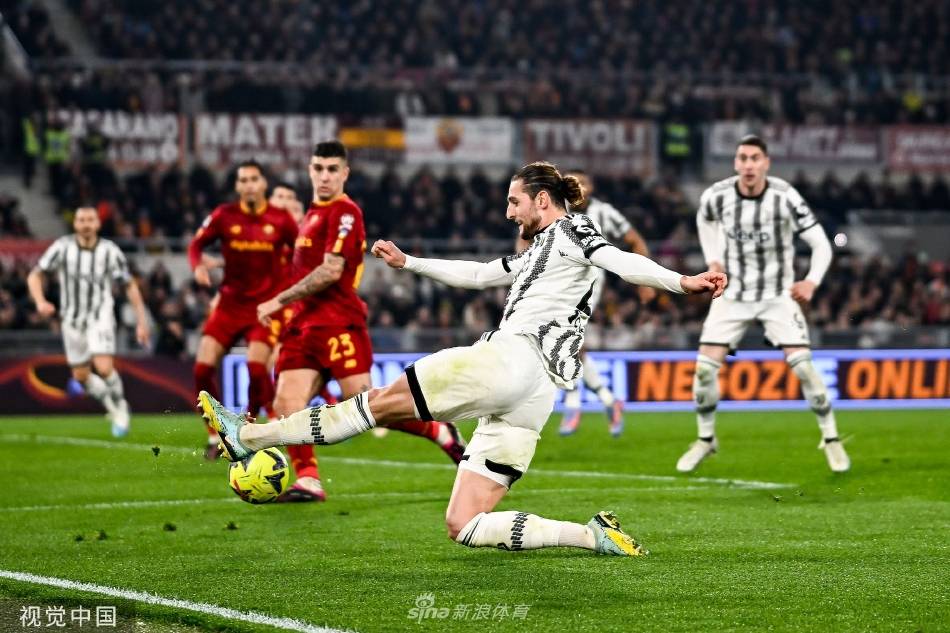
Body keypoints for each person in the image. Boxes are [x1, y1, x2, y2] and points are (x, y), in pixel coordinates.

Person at [201, 161, 725, 554]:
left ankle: (250, 437)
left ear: (543, 200)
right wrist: (409, 262)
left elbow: (619, 259)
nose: (509, 212)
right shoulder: (538, 252)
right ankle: (593, 536)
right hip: (535, 396)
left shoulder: (572, 230)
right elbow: (478, 273)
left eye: (515, 202)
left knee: (375, 404)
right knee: (464, 524)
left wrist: (683, 281)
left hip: (511, 358)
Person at [255, 141, 467, 502]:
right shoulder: (312, 214)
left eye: (332, 169)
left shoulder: (345, 212)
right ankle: (308, 479)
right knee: (287, 402)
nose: (324, 176)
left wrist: (279, 300)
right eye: (318, 168)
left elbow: (330, 271)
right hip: (303, 327)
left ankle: (438, 431)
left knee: (368, 406)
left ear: (345, 173)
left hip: (339, 324)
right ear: (309, 171)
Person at [676, 135, 850, 473]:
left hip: (776, 296)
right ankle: (706, 439)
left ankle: (830, 437)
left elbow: (821, 244)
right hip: (732, 296)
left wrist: (811, 281)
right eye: (742, 158)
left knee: (804, 368)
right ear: (735, 163)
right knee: (704, 370)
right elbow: (705, 220)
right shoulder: (716, 195)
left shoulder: (785, 197)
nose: (748, 164)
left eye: (755, 158)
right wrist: (713, 260)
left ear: (766, 163)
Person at [188, 161, 298, 459]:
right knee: (201, 369)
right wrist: (197, 266)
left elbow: (302, 254)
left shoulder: (281, 219)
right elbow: (196, 245)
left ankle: (251, 428)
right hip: (229, 305)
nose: (249, 185)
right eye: (243, 180)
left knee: (256, 368)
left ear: (263, 184)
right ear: (237, 186)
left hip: (264, 308)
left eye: (253, 179)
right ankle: (216, 434)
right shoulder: (224, 215)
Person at [27, 206, 150, 436]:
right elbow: (35, 274)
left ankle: (120, 407)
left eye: (90, 220)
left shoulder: (109, 251)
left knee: (104, 367)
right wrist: (40, 301)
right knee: (81, 377)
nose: (85, 224)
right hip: (72, 320)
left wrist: (142, 322)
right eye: (81, 220)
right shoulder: (62, 247)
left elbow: (129, 285)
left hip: (100, 316)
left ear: (97, 224)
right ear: (75, 224)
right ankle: (112, 406)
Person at [558, 169, 656, 437]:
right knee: (568, 341)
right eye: (572, 182)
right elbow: (526, 236)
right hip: (557, 279)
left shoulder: (604, 212)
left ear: (592, 187)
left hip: (588, 279)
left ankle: (573, 403)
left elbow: (635, 240)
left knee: (565, 335)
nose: (578, 187)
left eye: (583, 182)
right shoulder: (555, 210)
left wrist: (645, 281)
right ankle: (609, 400)